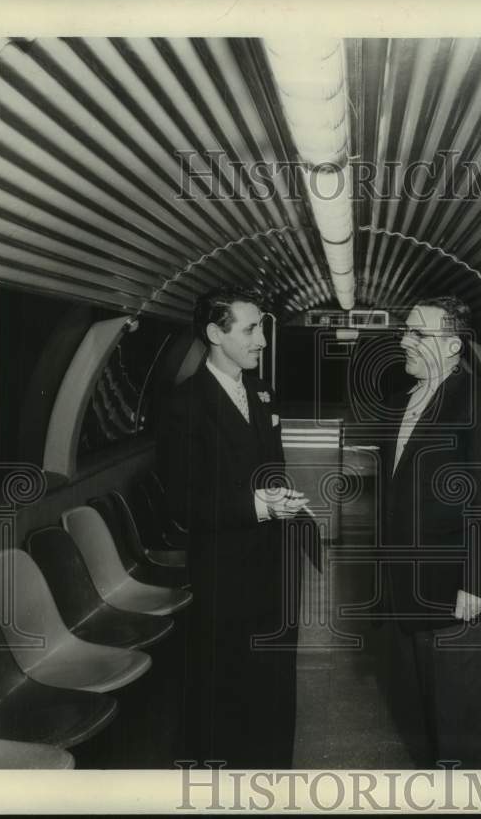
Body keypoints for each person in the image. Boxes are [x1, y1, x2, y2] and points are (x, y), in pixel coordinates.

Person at [159, 286, 309, 768]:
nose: (262, 340)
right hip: (225, 575)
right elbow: (183, 503)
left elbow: (269, 469)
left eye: (261, 328)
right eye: (250, 329)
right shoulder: (184, 406)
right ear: (214, 334)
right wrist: (258, 507)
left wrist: (277, 497)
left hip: (275, 567)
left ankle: (274, 780)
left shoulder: (261, 394)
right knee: (229, 691)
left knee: (276, 684)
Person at [379, 295, 481, 768]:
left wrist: (477, 585)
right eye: (406, 330)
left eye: (418, 333)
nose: (404, 340)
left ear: (453, 345)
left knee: (459, 733)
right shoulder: (402, 403)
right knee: (425, 723)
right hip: (409, 592)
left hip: (457, 596)